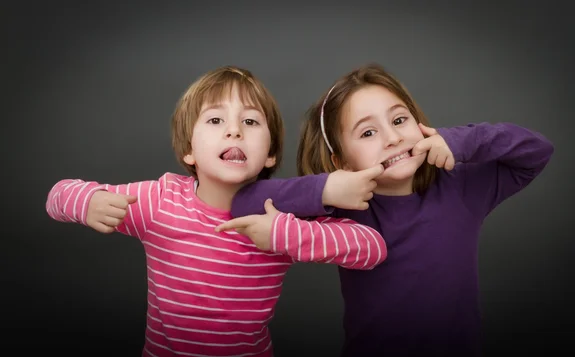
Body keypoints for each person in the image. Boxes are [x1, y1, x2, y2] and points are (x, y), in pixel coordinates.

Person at [46, 66, 388, 357]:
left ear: (270, 154)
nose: (234, 130)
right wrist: (88, 202)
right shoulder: (160, 200)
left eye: (251, 122)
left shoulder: (281, 211)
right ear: (188, 151)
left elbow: (371, 248)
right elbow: (57, 194)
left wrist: (284, 233)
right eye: (214, 119)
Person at [230, 63, 555, 356]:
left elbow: (536, 151)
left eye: (399, 120)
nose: (393, 138)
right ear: (341, 162)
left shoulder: (461, 187)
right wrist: (327, 187)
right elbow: (243, 200)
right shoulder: (344, 206)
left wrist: (458, 140)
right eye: (368, 132)